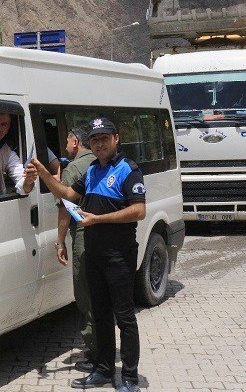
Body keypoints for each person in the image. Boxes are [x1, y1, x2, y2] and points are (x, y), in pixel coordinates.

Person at [31, 117, 145, 392]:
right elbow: (68, 194)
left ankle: (129, 377)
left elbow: (139, 210)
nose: (100, 144)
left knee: (124, 317)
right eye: (95, 140)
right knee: (101, 314)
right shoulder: (92, 170)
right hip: (93, 255)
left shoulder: (128, 170)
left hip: (119, 256)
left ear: (116, 138)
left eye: (105, 138)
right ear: (89, 144)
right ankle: (104, 370)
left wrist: (99, 220)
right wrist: (44, 174)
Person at [54, 126, 98, 372]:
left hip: (82, 234)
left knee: (85, 294)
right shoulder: (99, 161)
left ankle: (95, 353)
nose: (65, 146)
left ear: (76, 141)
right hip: (102, 233)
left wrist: (60, 241)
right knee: (98, 293)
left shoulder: (73, 168)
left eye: (67, 140)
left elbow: (64, 208)